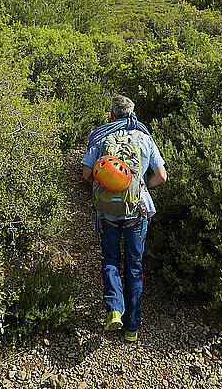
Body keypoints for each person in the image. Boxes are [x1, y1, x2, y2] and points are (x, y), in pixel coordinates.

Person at [81, 95, 167, 342]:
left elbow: (87, 174)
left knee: (110, 259)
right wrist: (142, 186)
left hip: (107, 212)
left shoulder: (100, 137)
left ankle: (115, 310)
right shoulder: (144, 138)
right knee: (134, 266)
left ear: (111, 115)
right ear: (132, 114)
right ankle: (132, 328)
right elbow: (161, 175)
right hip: (136, 212)